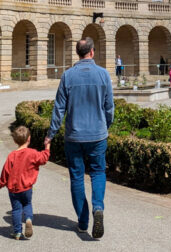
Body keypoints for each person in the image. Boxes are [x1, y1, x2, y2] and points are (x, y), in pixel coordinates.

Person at [46, 37, 114, 239]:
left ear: (78, 53)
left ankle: (83, 222)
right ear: (92, 52)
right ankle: (97, 208)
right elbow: (109, 107)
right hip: (97, 135)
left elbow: (59, 109)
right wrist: (104, 126)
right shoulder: (103, 74)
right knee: (98, 172)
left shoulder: (68, 76)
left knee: (76, 177)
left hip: (74, 136)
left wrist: (51, 134)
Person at [0, 126, 51, 240]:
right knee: (27, 204)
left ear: (15, 141)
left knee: (16, 210)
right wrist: (47, 147)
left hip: (14, 189)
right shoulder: (33, 153)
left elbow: (5, 173)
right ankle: (29, 219)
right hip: (27, 187)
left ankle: (17, 233)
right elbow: (43, 159)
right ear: (29, 139)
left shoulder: (12, 156)